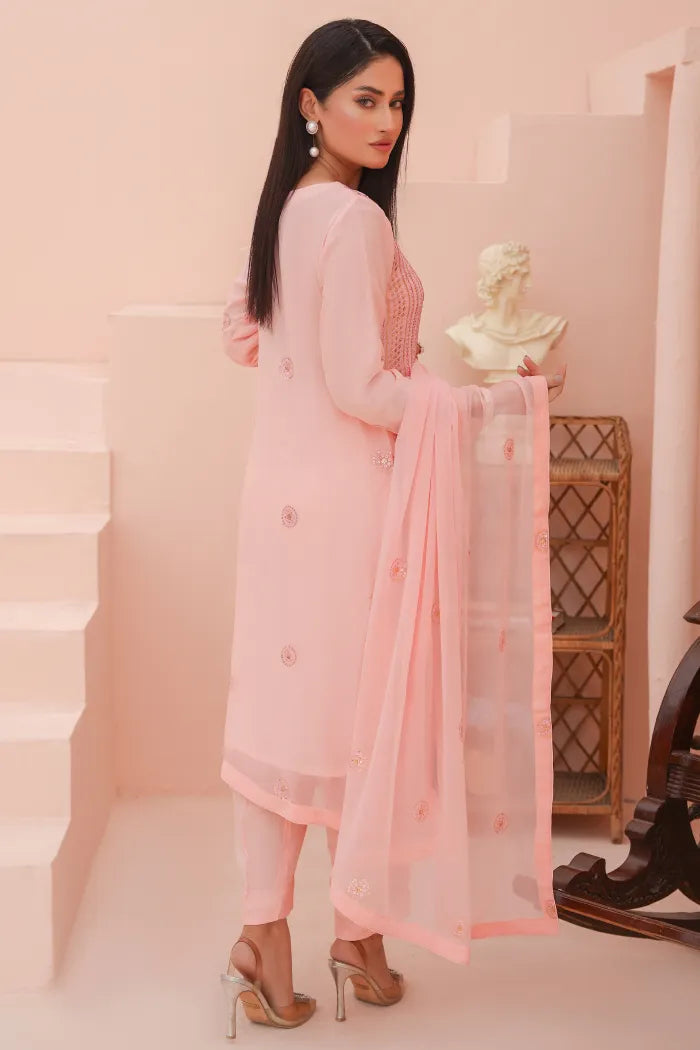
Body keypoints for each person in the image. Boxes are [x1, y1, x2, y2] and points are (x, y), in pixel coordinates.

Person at [218, 17, 566, 1039]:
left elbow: (247, 336)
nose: (385, 121)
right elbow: (362, 388)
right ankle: (347, 933)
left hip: (278, 501)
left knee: (292, 719)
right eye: (364, 99)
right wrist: (491, 402)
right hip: (350, 507)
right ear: (310, 104)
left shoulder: (286, 210)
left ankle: (280, 934)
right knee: (362, 723)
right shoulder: (352, 218)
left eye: (397, 101)